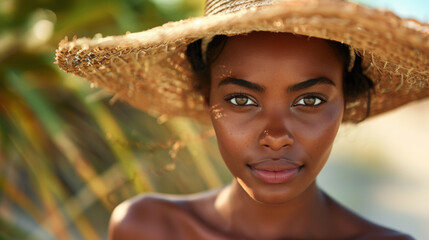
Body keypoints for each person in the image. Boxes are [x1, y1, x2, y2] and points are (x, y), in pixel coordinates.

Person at [55, 0, 428, 239]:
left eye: (309, 100)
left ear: (345, 103)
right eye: (241, 99)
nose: (276, 136)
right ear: (207, 101)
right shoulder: (149, 229)